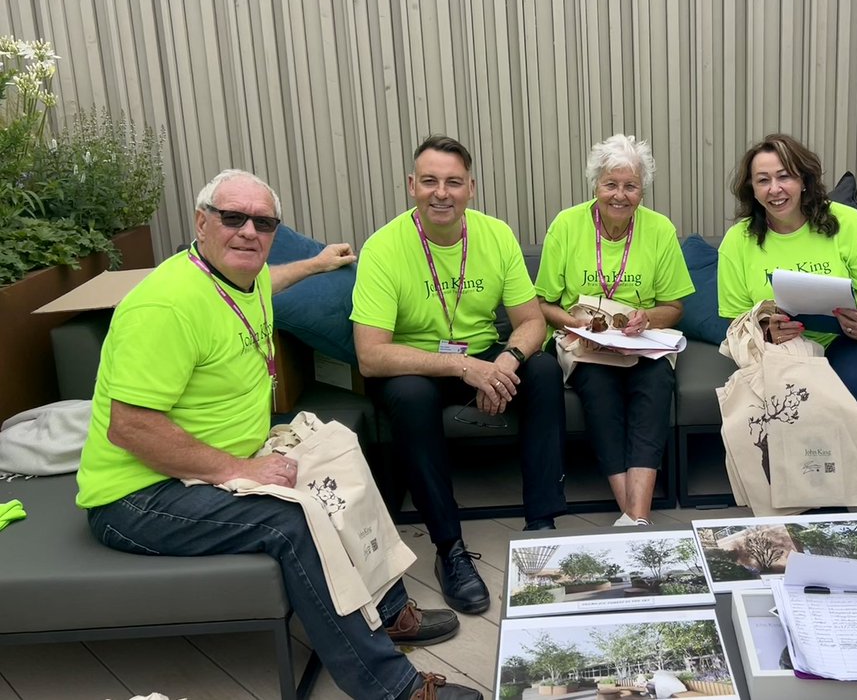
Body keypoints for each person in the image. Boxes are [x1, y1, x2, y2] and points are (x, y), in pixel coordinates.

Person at [76, 169, 479, 700]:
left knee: (339, 450)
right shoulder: (166, 304)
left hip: (216, 463)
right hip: (141, 495)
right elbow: (129, 428)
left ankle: (389, 611)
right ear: (201, 221)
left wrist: (316, 264)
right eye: (233, 218)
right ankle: (393, 688)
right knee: (292, 520)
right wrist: (240, 470)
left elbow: (271, 279)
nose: (248, 232)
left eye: (263, 223)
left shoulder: (239, 279)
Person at [352, 135, 567, 616]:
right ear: (412, 186)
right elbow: (371, 355)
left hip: (487, 353)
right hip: (415, 363)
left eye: (453, 182)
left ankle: (541, 527)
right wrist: (464, 367)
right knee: (410, 397)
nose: (441, 192)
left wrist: (506, 363)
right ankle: (449, 548)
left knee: (545, 372)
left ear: (471, 187)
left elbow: (532, 320)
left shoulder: (495, 234)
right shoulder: (384, 248)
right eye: (429, 181)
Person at [717, 134, 857, 513]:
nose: (775, 189)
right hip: (785, 347)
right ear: (751, 189)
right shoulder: (737, 242)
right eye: (763, 180)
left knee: (856, 385)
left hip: (854, 338)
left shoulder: (846, 223)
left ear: (804, 180)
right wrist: (766, 330)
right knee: (795, 396)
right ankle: (820, 512)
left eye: (784, 176)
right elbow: (736, 320)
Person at [534, 135, 693, 526]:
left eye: (630, 185)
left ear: (642, 189)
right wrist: (576, 324)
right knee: (600, 390)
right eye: (610, 184)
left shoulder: (660, 230)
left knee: (655, 385)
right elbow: (542, 304)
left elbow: (674, 307)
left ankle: (633, 518)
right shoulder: (567, 225)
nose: (619, 195)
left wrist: (646, 319)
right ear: (595, 184)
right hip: (585, 339)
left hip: (641, 341)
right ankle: (636, 516)